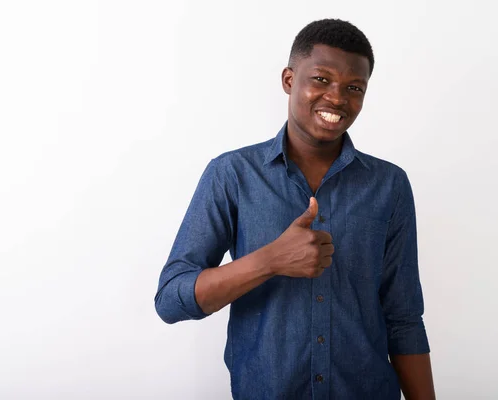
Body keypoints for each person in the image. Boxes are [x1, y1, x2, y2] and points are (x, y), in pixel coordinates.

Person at [154, 18, 435, 400]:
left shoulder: (389, 185)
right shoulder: (232, 174)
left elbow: (403, 318)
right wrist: (268, 260)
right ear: (289, 80)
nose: (337, 98)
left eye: (354, 87)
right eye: (321, 79)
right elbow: (171, 300)